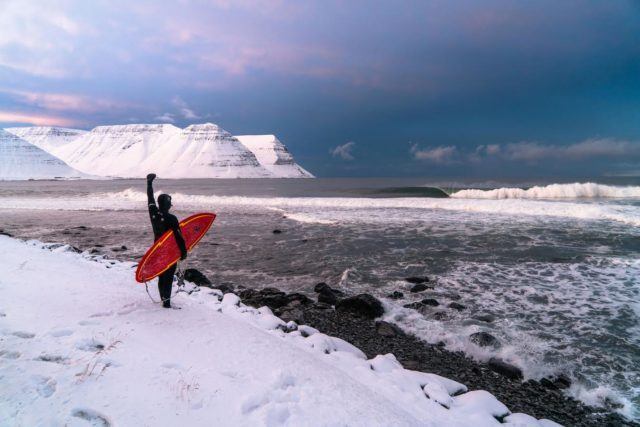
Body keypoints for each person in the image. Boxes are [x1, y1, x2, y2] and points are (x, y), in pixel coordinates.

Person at [146, 173, 187, 308]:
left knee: (160, 276)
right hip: (169, 253)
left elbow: (150, 197)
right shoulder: (172, 219)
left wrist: (149, 182)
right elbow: (178, 237)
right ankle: (166, 303)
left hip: (157, 250)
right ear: (167, 204)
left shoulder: (153, 213)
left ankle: (164, 299)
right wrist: (183, 252)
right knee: (168, 278)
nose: (171, 205)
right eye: (170, 203)